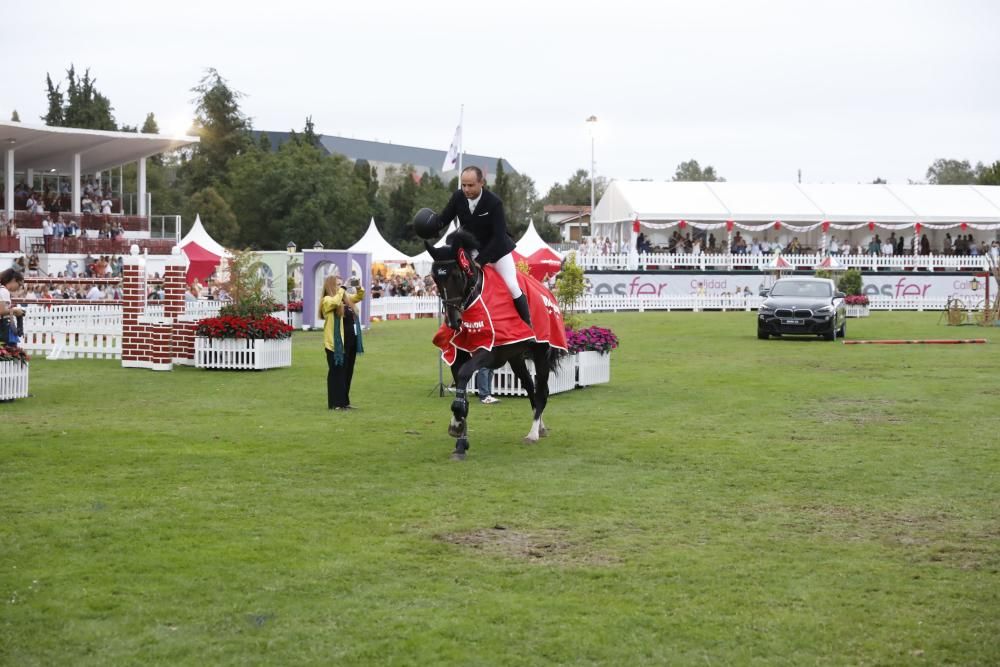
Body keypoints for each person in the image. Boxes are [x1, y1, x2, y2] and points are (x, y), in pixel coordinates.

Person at [426, 166, 531, 326]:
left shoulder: (494, 202)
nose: (466, 189)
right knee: (459, 281)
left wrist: (480, 261)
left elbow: (499, 236)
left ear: (481, 182)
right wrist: (429, 226)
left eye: (470, 185)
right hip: (472, 248)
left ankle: (528, 327)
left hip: (497, 251)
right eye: (463, 185)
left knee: (512, 286)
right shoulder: (458, 197)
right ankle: (456, 320)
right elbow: (443, 219)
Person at [319, 274, 365, 410]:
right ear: (331, 286)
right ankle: (335, 403)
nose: (341, 287)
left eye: (341, 284)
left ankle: (344, 402)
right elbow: (334, 302)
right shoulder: (327, 300)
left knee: (347, 372)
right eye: (338, 284)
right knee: (336, 373)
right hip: (335, 345)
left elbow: (360, 296)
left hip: (350, 343)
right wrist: (343, 288)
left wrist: (358, 286)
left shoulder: (346, 299)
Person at [0, 268, 26, 346]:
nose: (19, 287)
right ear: (14, 280)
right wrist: (15, 310)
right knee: (9, 351)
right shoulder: (4, 291)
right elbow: (1, 311)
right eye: (20, 284)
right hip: (3, 325)